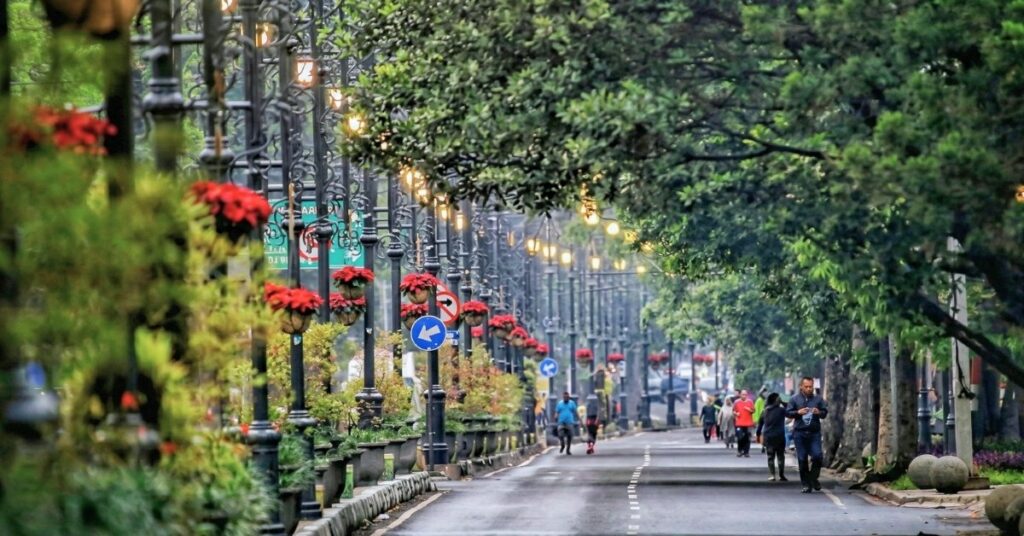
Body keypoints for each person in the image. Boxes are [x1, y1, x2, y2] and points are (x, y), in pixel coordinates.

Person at [785, 377, 829, 493]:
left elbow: (824, 413)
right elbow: (788, 413)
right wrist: (797, 412)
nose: (809, 389)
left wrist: (819, 412)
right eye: (806, 387)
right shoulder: (794, 399)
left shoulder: (818, 399)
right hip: (799, 433)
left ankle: (813, 478)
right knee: (802, 458)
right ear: (801, 387)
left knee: (817, 456)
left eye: (811, 387)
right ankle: (806, 484)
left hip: (814, 433)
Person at [756, 393, 788, 482]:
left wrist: (758, 435)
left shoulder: (765, 411)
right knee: (780, 456)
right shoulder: (782, 410)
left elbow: (760, 425)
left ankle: (772, 475)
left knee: (770, 456)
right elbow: (790, 410)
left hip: (768, 436)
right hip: (779, 436)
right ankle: (781, 475)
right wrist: (783, 402)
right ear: (777, 401)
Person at [733, 390, 755, 457]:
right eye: (743, 394)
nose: (744, 396)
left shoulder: (750, 402)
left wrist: (749, 409)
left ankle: (746, 452)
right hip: (739, 423)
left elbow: (753, 410)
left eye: (745, 394)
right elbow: (733, 411)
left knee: (747, 438)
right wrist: (736, 413)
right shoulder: (736, 402)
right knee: (740, 438)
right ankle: (740, 451)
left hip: (748, 423)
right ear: (740, 395)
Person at [754, 389, 767, 453]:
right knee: (760, 432)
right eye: (764, 392)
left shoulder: (766, 400)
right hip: (760, 419)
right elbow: (756, 410)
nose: (765, 394)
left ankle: (764, 445)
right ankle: (762, 444)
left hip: (766, 418)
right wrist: (756, 420)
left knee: (764, 432)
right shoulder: (759, 400)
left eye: (766, 392)